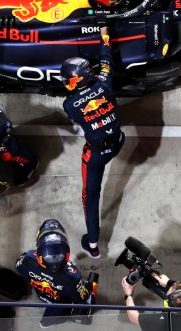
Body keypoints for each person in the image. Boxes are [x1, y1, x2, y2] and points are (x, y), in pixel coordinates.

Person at [60, 26, 125, 258]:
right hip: (118, 141)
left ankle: (94, 245)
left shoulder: (70, 105)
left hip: (97, 155)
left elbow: (77, 114)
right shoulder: (104, 82)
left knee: (90, 196)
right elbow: (107, 60)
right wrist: (105, 34)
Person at [14, 219, 95, 324]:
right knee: (63, 306)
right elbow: (83, 298)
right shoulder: (73, 278)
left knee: (48, 319)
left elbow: (18, 263)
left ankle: (45, 323)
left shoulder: (26, 261)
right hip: (59, 300)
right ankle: (50, 321)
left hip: (41, 294)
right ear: (66, 256)